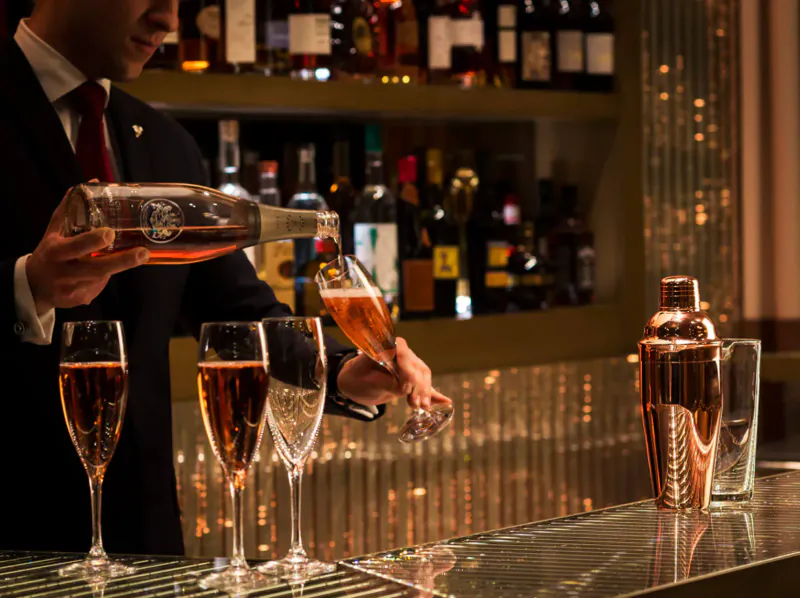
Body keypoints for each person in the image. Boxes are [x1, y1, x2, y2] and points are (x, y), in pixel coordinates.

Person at [0, 0, 451, 556]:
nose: (168, 20)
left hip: (144, 541)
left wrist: (339, 372)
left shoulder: (164, 143)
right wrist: (26, 288)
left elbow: (238, 309)